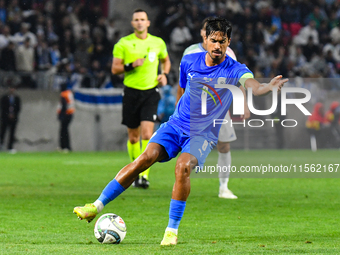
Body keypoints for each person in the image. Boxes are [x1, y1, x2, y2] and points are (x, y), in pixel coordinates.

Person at [73, 18, 287, 246]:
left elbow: (252, 85)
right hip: (176, 125)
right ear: (205, 39)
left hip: (203, 134)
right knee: (144, 159)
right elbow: (183, 90)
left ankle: (171, 231)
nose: (217, 46)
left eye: (222, 42)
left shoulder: (236, 69)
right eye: (213, 40)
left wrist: (265, 88)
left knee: (182, 167)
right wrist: (176, 116)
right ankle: (95, 207)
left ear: (228, 42)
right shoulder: (188, 61)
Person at [177, 17, 250, 199]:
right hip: (194, 110)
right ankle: (181, 182)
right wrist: (179, 106)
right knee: (189, 151)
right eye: (206, 31)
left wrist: (244, 103)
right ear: (204, 34)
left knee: (224, 146)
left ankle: (223, 187)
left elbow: (238, 78)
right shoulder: (190, 52)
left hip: (218, 107)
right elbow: (182, 82)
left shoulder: (229, 53)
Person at [111, 9, 171, 188]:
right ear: (132, 23)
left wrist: (164, 74)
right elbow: (115, 69)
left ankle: (143, 176)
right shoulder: (124, 43)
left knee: (147, 134)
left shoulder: (157, 42)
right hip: (131, 92)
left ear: (148, 23)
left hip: (150, 92)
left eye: (142, 19)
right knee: (133, 138)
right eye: (136, 19)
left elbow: (166, 60)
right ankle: (135, 171)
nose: (139, 22)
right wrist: (130, 65)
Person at [0, 84, 21, 153]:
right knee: (3, 132)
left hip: (13, 118)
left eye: (13, 88)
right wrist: (8, 114)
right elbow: (3, 107)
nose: (12, 90)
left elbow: (18, 108)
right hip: (5, 118)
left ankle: (10, 147)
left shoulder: (17, 98)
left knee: (12, 133)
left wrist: (13, 114)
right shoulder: (4, 97)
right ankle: (1, 145)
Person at [56, 83, 75, 152]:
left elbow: (64, 105)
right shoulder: (69, 93)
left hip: (66, 114)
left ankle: (64, 146)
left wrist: (61, 115)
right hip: (70, 114)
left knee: (63, 131)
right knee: (65, 130)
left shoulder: (64, 94)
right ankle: (65, 146)